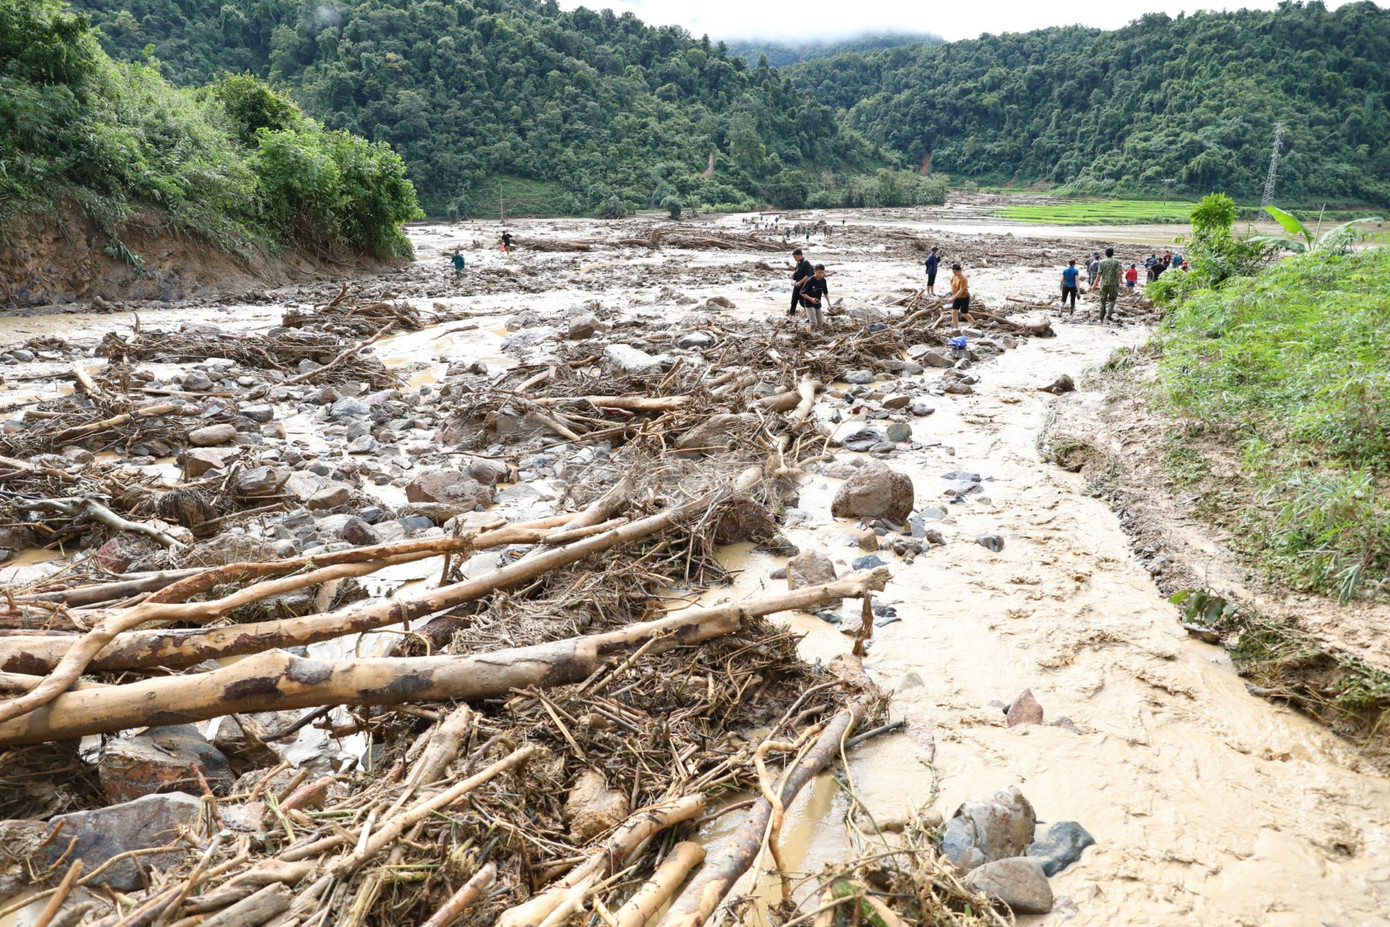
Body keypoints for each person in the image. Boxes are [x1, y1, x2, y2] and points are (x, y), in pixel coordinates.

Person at [795, 264, 830, 329]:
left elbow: (825, 292)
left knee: (820, 322)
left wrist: (829, 302)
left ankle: (810, 330)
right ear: (815, 271)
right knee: (813, 323)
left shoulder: (823, 280)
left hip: (817, 303)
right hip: (809, 304)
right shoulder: (810, 280)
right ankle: (810, 333)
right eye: (819, 272)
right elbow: (802, 293)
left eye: (823, 272)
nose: (821, 274)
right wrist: (811, 299)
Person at [1095, 247, 1122, 323]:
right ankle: (1109, 313)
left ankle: (1100, 319)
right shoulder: (1117, 262)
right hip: (1113, 284)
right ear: (1113, 254)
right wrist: (1121, 281)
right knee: (1112, 299)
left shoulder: (1102, 262)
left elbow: (1099, 274)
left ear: (1105, 254)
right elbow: (1119, 272)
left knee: (1102, 301)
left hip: (1104, 284)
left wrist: (1094, 285)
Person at [787, 248, 813, 317]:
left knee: (802, 302)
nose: (795, 258)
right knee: (794, 301)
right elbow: (796, 270)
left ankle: (810, 316)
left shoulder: (805, 262)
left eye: (795, 257)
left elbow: (809, 275)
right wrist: (789, 265)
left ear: (800, 255)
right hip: (798, 284)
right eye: (794, 257)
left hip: (803, 285)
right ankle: (790, 318)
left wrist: (800, 282)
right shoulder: (799, 263)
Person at [949, 263, 974, 330]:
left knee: (964, 314)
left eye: (955, 272)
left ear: (960, 270)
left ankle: (974, 323)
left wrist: (953, 298)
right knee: (954, 312)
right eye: (953, 272)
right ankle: (956, 328)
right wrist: (952, 290)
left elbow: (961, 290)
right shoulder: (954, 276)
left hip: (964, 298)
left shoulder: (964, 279)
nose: (954, 273)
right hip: (956, 297)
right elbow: (951, 281)